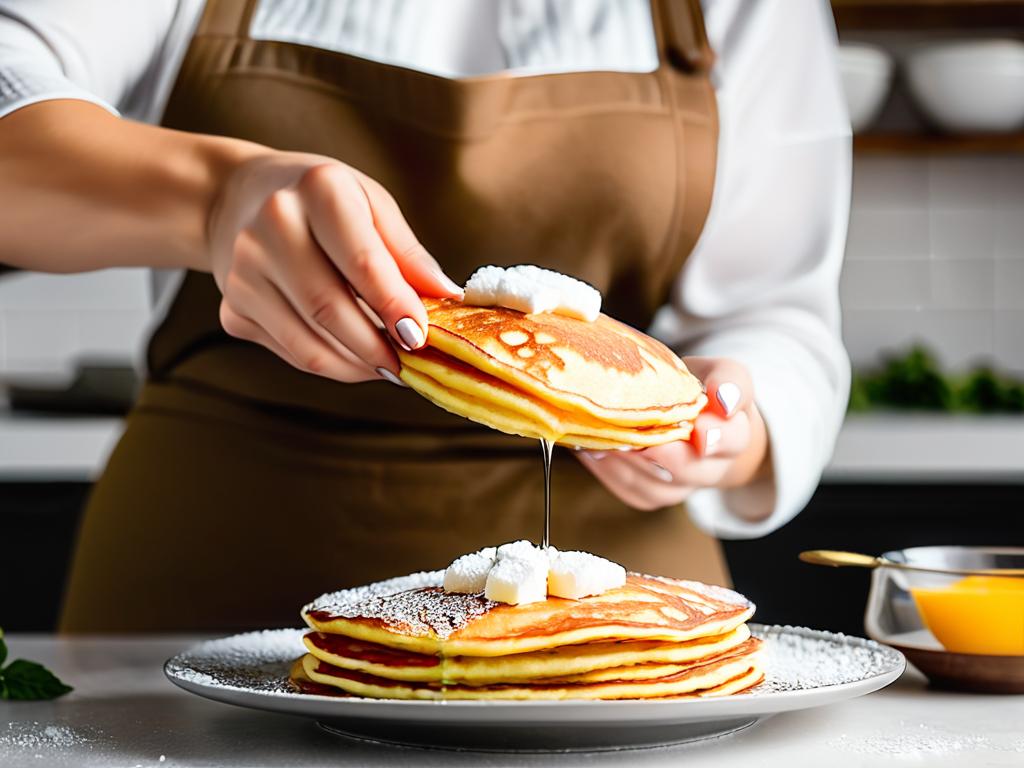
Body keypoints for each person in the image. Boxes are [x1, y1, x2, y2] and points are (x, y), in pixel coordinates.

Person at [0, 0, 851, 632]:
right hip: (203, 587)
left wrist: (732, 426)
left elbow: (775, 310)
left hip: (611, 611)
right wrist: (216, 197)